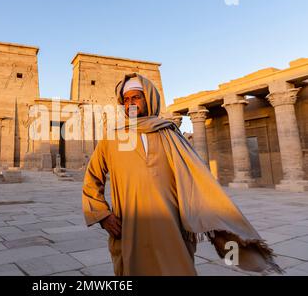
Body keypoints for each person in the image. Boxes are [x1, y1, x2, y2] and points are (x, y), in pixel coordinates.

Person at [82, 73, 282, 276]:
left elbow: (198, 179)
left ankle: (248, 258)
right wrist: (102, 215)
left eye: (136, 97)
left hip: (172, 228)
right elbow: (92, 178)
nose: (130, 103)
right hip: (130, 229)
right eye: (126, 99)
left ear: (149, 99)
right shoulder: (112, 138)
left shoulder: (171, 134)